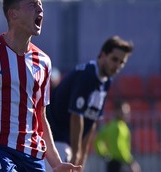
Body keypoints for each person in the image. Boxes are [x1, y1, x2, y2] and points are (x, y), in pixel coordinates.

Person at [0, 0, 82, 172]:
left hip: (33, 155)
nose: (40, 8)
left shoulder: (44, 62)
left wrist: (56, 163)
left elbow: (40, 117)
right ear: (13, 14)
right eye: (33, 4)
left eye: (41, 5)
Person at [46, 35, 133, 170]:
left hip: (65, 142)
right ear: (103, 55)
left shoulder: (106, 81)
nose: (117, 66)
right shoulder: (88, 75)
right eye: (114, 59)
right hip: (54, 138)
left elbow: (91, 121)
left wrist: (82, 156)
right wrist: (76, 153)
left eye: (122, 62)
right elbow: (76, 117)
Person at [94, 100, 141, 172]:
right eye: (124, 111)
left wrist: (104, 154)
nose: (127, 114)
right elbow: (119, 147)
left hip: (113, 162)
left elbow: (97, 140)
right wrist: (130, 161)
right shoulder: (118, 127)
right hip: (118, 162)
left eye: (128, 111)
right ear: (117, 111)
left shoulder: (112, 125)